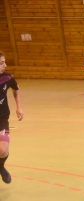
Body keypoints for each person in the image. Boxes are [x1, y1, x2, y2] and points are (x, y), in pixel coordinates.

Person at [0, 51, 24, 184]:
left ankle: (1, 166)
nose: (5, 65)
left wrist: (19, 107)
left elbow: (17, 88)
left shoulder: (7, 78)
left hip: (2, 118)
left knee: (3, 150)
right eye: (2, 63)